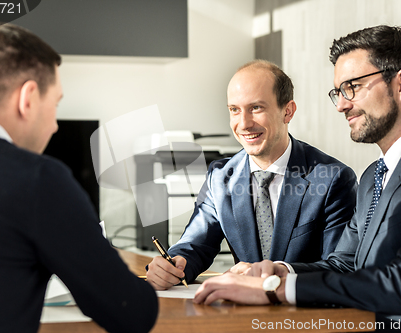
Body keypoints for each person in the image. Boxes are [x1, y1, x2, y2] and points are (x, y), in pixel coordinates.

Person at [194, 25, 401, 331]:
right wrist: (279, 272)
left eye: (352, 87)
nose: (341, 104)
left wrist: (275, 290)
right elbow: (345, 264)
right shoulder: (373, 177)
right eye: (338, 92)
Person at [0, 23, 158, 333]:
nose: (54, 126)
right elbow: (132, 312)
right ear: (28, 98)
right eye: (55, 104)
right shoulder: (38, 180)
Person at [146, 60, 358, 290]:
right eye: (234, 110)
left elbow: (340, 266)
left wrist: (276, 274)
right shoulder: (220, 176)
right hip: (241, 315)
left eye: (256, 108)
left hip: (302, 315)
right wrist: (175, 264)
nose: (244, 124)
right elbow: (195, 244)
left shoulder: (332, 178)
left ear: (287, 111)